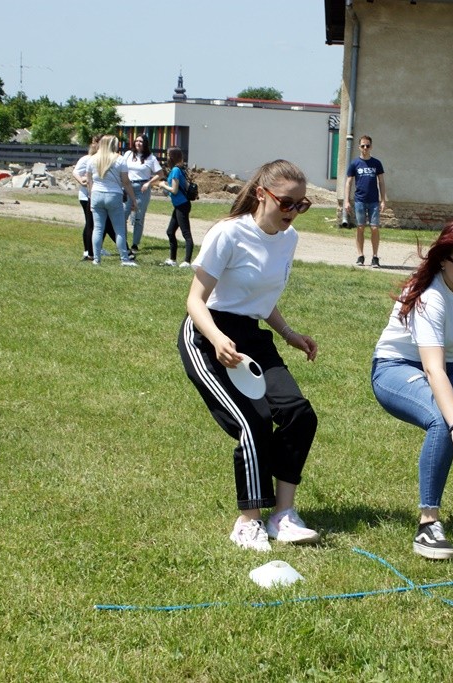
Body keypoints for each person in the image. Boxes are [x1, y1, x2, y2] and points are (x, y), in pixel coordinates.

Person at [177, 159, 320, 552]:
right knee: (252, 421)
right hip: (208, 337)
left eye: (301, 205)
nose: (293, 212)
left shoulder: (288, 239)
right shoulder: (229, 233)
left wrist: (289, 334)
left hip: (252, 336)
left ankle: (283, 517)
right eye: (286, 203)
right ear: (262, 194)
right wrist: (218, 338)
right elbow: (195, 300)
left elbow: (260, 299)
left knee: (298, 415)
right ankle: (248, 522)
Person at [371, 217, 453, 560]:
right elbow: (432, 368)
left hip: (451, 366)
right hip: (396, 368)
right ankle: (427, 524)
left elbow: (445, 364)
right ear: (443, 259)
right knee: (444, 424)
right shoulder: (430, 298)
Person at [87, 135, 138, 266]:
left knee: (98, 228)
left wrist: (91, 197)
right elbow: (126, 182)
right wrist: (133, 199)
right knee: (119, 229)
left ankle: (96, 259)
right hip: (114, 194)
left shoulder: (92, 159)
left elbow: (89, 181)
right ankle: (124, 258)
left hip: (96, 194)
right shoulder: (119, 159)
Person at [344, 135, 387, 268]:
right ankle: (360, 256)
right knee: (360, 227)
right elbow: (348, 183)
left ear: (371, 147)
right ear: (359, 147)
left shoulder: (376, 163)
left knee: (374, 228)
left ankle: (375, 257)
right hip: (360, 201)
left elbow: (381, 182)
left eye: (367, 145)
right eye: (363, 145)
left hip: (374, 201)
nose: (365, 148)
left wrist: (383, 200)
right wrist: (346, 200)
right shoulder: (355, 164)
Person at [73, 135, 117, 261]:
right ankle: (89, 251)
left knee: (99, 224)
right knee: (93, 224)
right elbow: (77, 173)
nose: (95, 145)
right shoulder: (87, 159)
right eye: (94, 142)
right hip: (88, 196)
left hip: (98, 195)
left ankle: (94, 249)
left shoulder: (105, 159)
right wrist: (84, 181)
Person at [122, 134, 164, 254]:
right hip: (128, 186)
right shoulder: (128, 154)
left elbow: (160, 174)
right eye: (136, 141)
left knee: (138, 217)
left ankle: (135, 244)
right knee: (123, 215)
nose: (138, 143)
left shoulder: (151, 158)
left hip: (142, 189)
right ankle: (123, 242)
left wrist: (149, 183)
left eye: (141, 141)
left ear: (145, 144)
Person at [157, 147, 194, 267]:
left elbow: (174, 190)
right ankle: (172, 260)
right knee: (170, 231)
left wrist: (163, 185)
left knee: (186, 233)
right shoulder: (178, 169)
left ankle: (187, 261)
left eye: (168, 155)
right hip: (180, 205)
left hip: (182, 205)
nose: (167, 157)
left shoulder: (176, 171)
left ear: (173, 156)